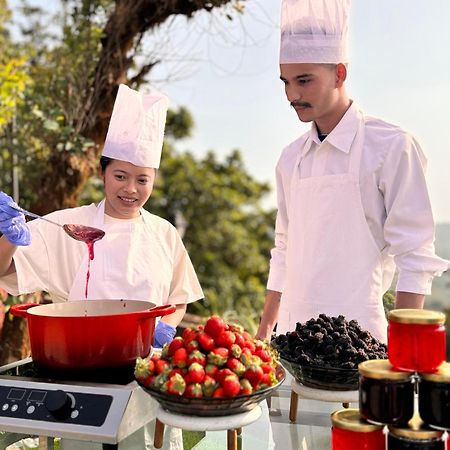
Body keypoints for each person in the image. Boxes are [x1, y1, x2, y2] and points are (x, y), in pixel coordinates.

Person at [0, 84, 203, 449]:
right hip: (82, 383)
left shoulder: (164, 233)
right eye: (120, 176)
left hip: (149, 378)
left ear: (153, 180)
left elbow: (180, 298)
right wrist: (10, 236)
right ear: (102, 173)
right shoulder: (67, 226)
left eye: (142, 179)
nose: (131, 189)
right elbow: (3, 271)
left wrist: (165, 328)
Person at [256, 0, 448, 343]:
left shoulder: (392, 147)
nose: (292, 94)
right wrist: (264, 330)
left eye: (304, 80)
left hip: (358, 344)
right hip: (288, 341)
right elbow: (283, 247)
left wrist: (403, 352)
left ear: (340, 73)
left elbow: (416, 257)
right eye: (285, 81)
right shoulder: (290, 158)